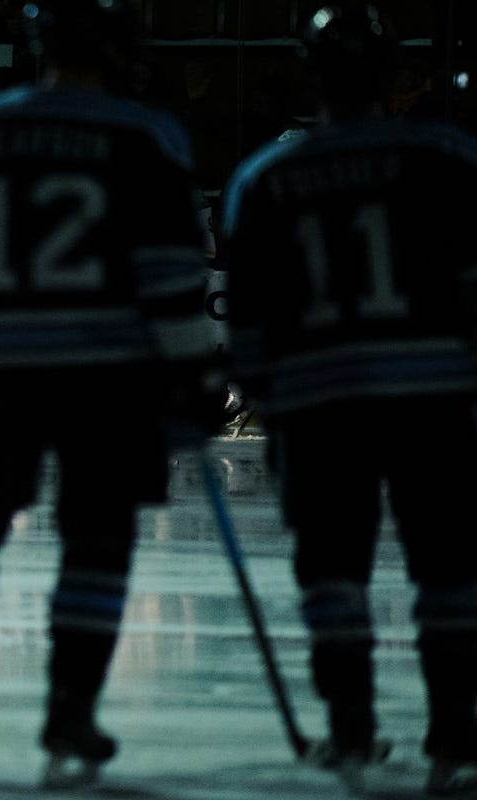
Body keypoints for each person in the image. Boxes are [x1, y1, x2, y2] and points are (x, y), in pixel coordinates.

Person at [0, 0, 224, 788]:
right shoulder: (146, 137)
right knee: (96, 551)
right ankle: (71, 717)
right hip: (111, 379)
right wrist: (196, 376)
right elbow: (172, 278)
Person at [220, 5, 477, 794]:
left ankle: (353, 731)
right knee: (448, 576)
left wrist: (259, 391)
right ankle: (454, 738)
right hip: (435, 396)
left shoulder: (267, 175)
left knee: (333, 577)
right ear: (391, 74)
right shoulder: (449, 155)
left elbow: (250, 308)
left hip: (321, 404)